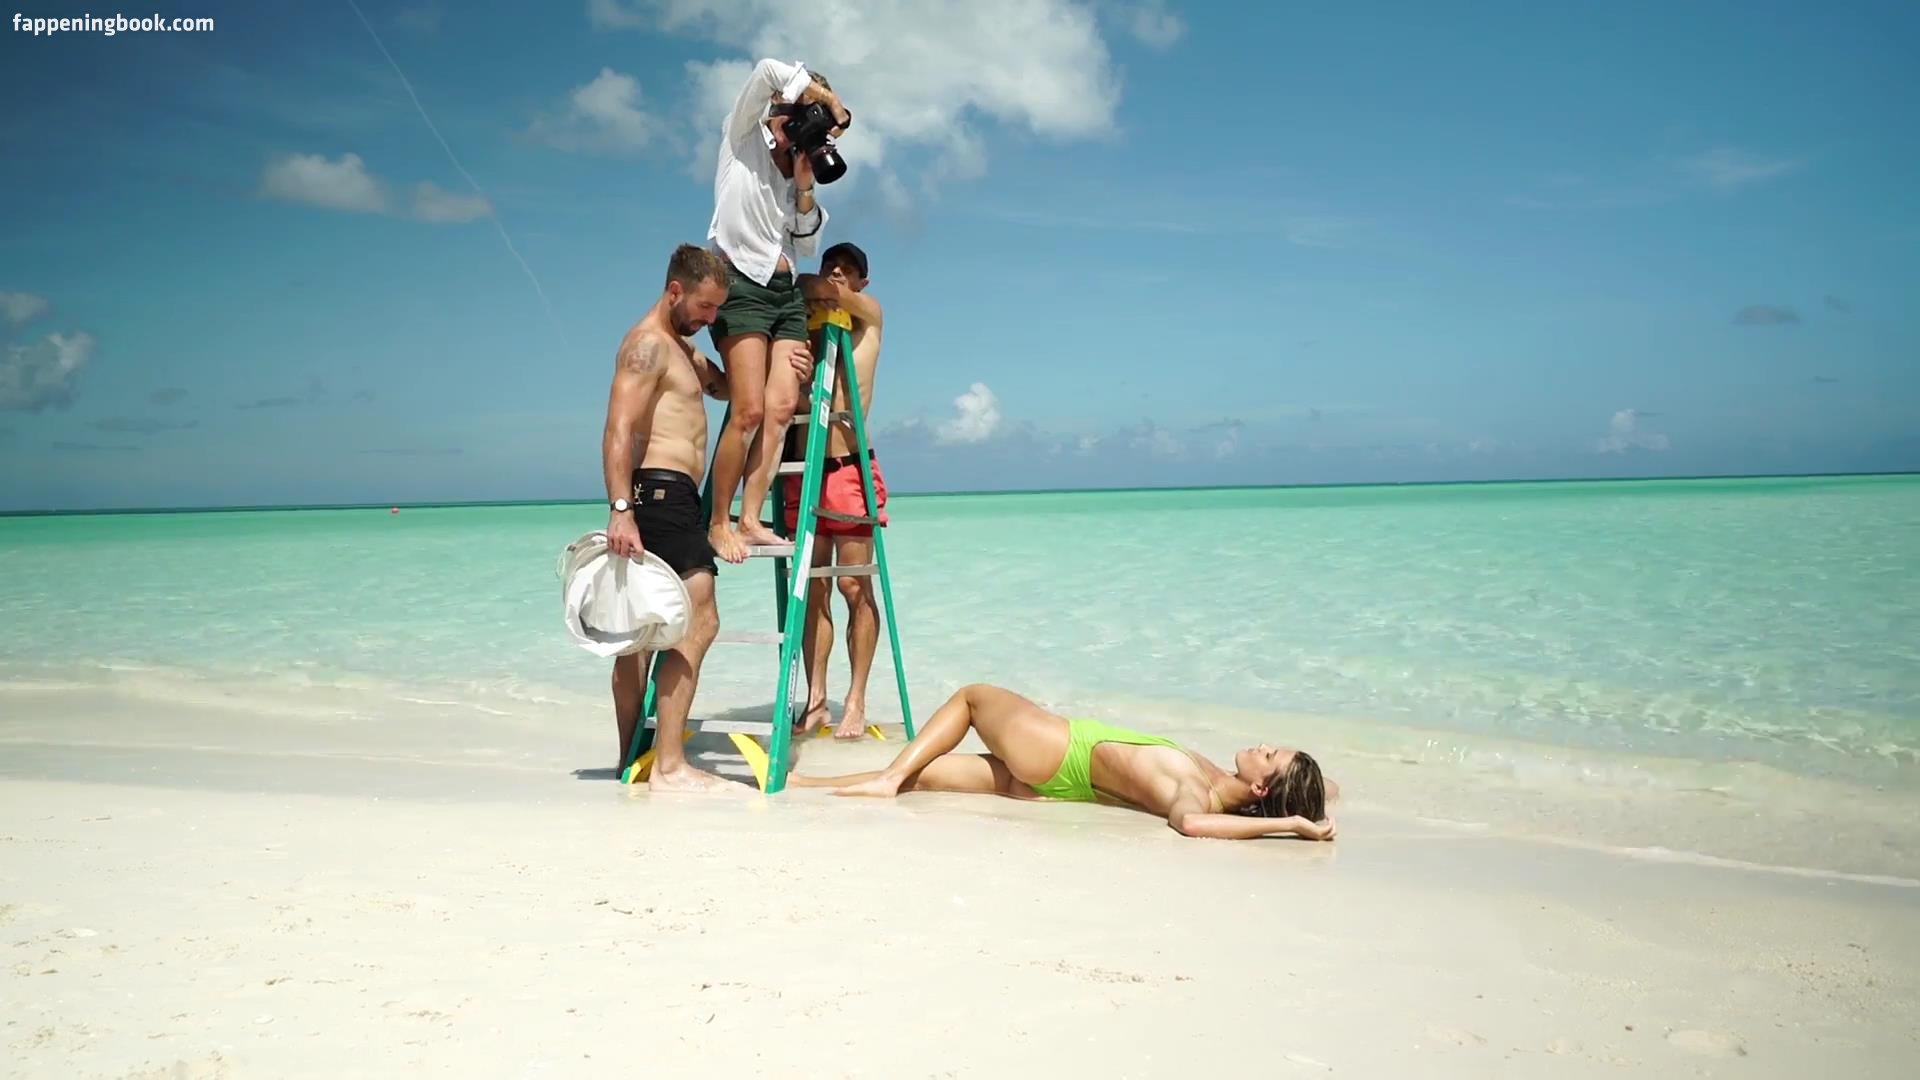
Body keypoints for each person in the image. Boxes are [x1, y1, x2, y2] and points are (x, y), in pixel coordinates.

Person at [599, 243, 806, 792]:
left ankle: (634, 760)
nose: (712, 319)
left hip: (673, 497)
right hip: (658, 495)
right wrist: (621, 511)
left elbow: (731, 390)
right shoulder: (647, 346)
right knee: (700, 619)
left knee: (642, 633)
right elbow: (618, 428)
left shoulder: (682, 351)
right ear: (675, 291)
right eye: (706, 307)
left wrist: (789, 370)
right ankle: (668, 764)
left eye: (718, 309)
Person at [790, 683, 1340, 841]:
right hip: (1052, 785)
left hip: (1056, 748)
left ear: (1262, 791)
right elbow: (1323, 788)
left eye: (1270, 756)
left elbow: (1191, 823)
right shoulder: (1224, 783)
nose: (1263, 745)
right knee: (926, 776)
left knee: (973, 697)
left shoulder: (1196, 793)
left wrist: (1292, 823)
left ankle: (886, 779)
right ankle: (804, 783)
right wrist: (1315, 802)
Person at [702, 57, 851, 565]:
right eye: (806, 115)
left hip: (786, 294)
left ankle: (750, 519)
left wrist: (805, 182)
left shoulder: (795, 167)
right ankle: (719, 523)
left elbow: (806, 245)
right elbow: (767, 68)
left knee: (782, 408)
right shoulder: (742, 135)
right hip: (741, 285)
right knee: (748, 411)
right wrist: (830, 102)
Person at [788, 242, 889, 739]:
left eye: (848, 272)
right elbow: (803, 286)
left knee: (853, 586)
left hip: (850, 468)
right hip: (805, 472)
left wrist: (823, 285)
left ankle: (856, 699)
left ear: (863, 282)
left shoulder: (868, 316)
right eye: (832, 267)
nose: (837, 276)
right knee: (813, 590)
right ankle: (816, 699)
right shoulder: (808, 324)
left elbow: (812, 286)